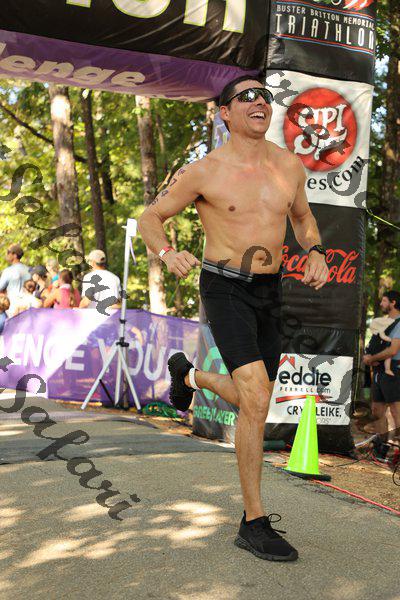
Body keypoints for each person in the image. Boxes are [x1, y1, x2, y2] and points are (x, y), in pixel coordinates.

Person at [138, 75, 329, 562]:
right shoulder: (204, 171)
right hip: (224, 286)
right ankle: (254, 521)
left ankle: (190, 376)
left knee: (254, 400)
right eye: (247, 96)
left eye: (265, 95)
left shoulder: (288, 165)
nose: (259, 101)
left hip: (269, 290)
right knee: (257, 396)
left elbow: (303, 218)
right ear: (225, 112)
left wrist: (315, 251)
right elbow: (149, 218)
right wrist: (167, 253)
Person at [363, 290, 400, 446]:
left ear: (393, 303)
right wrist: (368, 356)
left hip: (394, 370)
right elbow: (374, 344)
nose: (381, 304)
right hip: (379, 371)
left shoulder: (399, 323)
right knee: (377, 409)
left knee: (396, 410)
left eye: (384, 301)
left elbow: (393, 350)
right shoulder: (383, 323)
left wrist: (373, 358)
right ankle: (381, 446)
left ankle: (397, 447)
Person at [0, 244, 31, 316]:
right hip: (28, 306)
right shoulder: (29, 269)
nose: (7, 254)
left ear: (15, 255)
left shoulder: (8, 271)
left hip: (12, 307)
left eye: (8, 252)